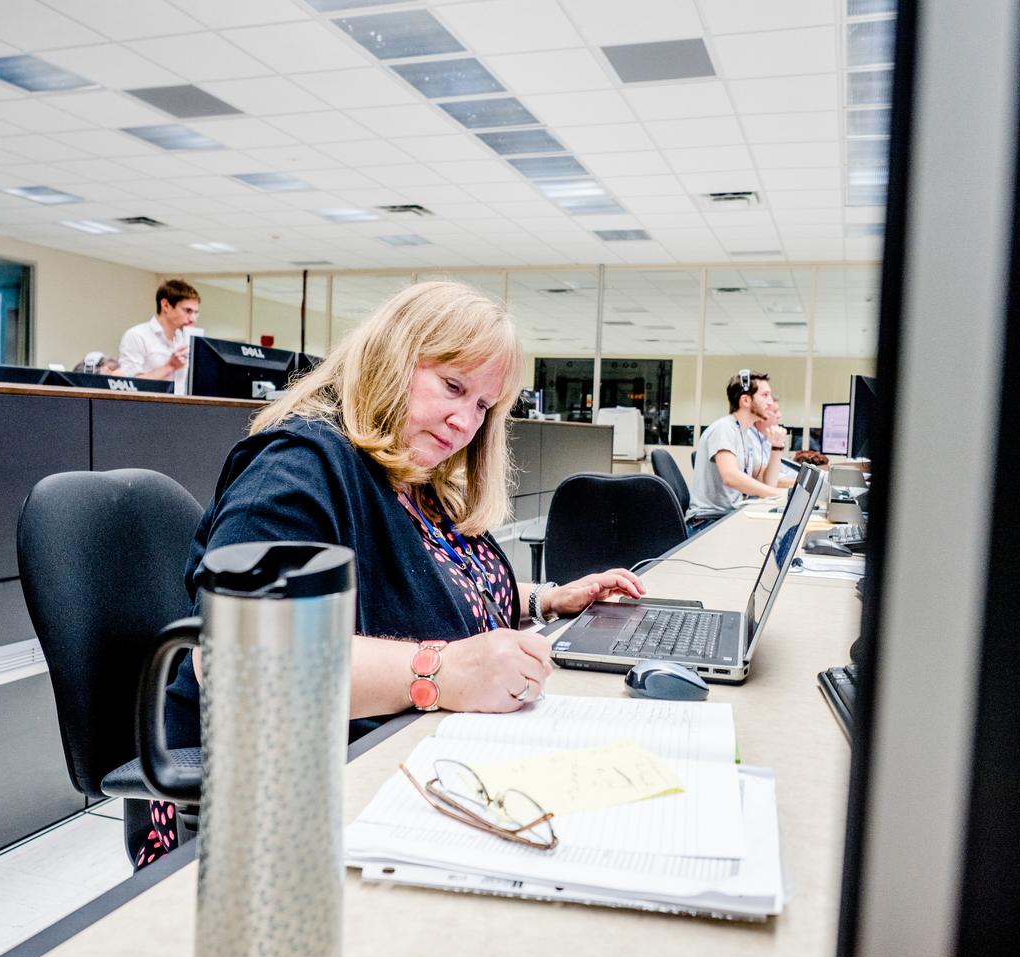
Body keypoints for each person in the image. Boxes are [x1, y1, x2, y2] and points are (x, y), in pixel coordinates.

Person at [134, 281, 645, 867]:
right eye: (453, 386)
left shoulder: (412, 477)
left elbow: (433, 587)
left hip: (400, 756)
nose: (464, 421)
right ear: (391, 358)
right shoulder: (297, 467)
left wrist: (546, 601)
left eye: (483, 406)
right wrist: (440, 672)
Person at [686, 371, 789, 530]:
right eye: (765, 395)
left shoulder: (744, 434)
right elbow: (730, 476)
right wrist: (777, 494)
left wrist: (776, 447)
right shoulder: (724, 428)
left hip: (726, 516)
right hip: (707, 522)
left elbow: (767, 481)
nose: (770, 402)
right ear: (745, 400)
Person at [117, 279, 199, 395]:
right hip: (147, 405)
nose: (193, 319)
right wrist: (170, 366)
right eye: (188, 311)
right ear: (165, 305)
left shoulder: (184, 340)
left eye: (196, 313)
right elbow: (130, 386)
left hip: (180, 405)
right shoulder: (137, 335)